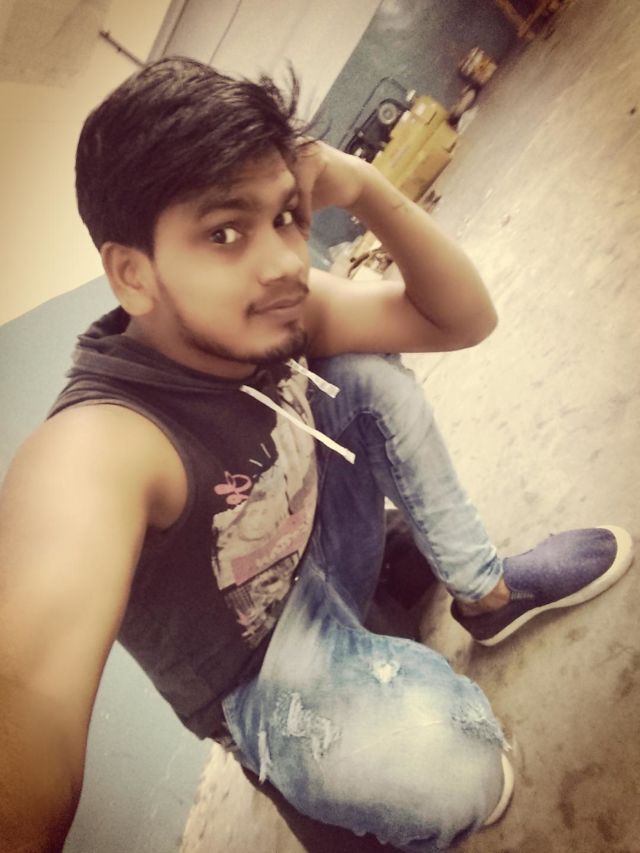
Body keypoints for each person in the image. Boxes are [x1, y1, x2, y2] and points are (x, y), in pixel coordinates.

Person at [0, 57, 633, 853]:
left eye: (286, 217)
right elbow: (25, 695)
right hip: (265, 666)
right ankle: (310, 759)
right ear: (133, 273)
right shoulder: (101, 442)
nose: (284, 262)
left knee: (362, 372)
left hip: (326, 545)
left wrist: (362, 185)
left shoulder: (276, 308)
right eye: (225, 232)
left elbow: (461, 320)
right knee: (465, 776)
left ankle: (487, 594)